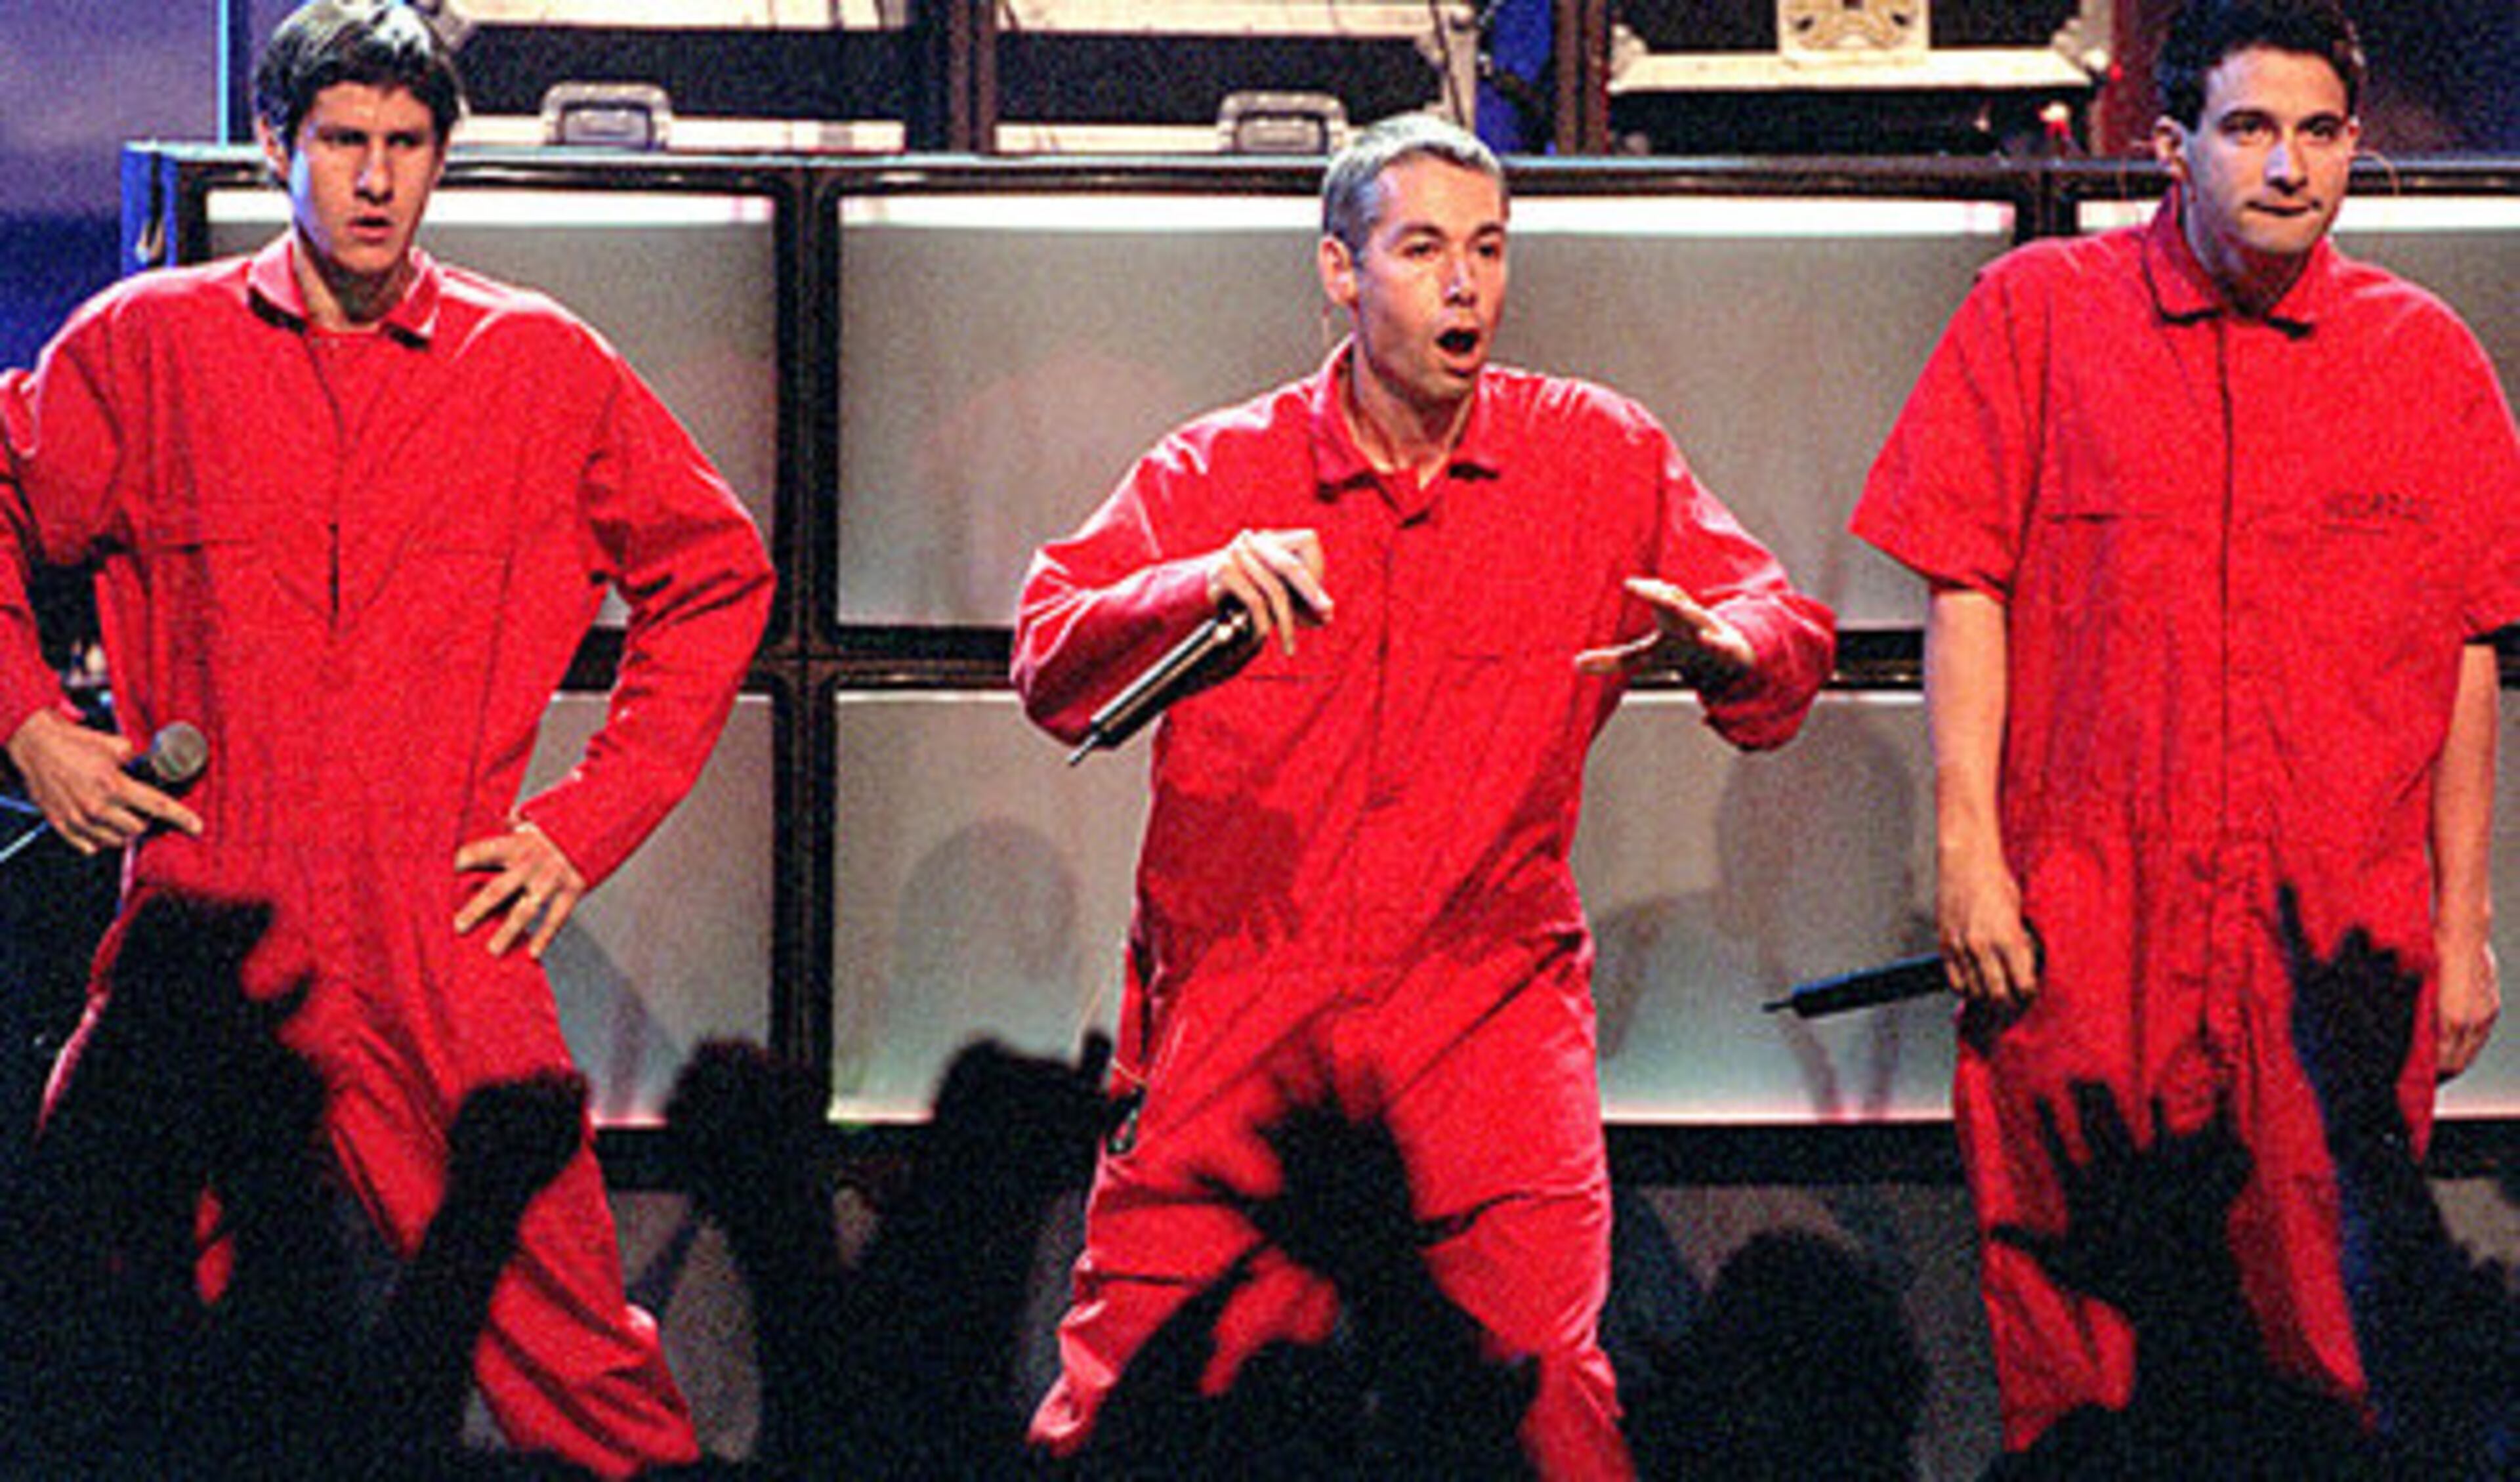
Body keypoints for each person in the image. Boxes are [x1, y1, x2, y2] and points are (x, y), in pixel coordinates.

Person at [0, 3, 772, 1475]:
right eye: (343, 139)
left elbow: (716, 574)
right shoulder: (151, 346)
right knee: (86, 1323)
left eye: (407, 144)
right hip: (208, 915)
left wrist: (581, 826)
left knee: (578, 1355)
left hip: (440, 923)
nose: (374, 177)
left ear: (440, 159)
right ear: (275, 146)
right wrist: (32, 724)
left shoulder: (536, 363)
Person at [1013, 112, 1835, 1479]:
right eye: (1424, 250)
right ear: (1341, 271)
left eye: (1489, 249)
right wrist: (1195, 582)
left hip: (1488, 1024)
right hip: (1241, 1022)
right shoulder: (1215, 472)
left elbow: (1777, 627)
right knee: (1141, 1408)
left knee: (1546, 1410)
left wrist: (1728, 647)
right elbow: (1049, 657)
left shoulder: (1597, 451)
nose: (1466, 285)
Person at [1851, 0, 2519, 1452]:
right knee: (2078, 1349)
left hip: (2331, 943)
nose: (2289, 167)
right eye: (2250, 128)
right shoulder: (2036, 317)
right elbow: (1965, 588)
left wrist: (2466, 921)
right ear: (2171, 144)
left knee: (2331, 1346)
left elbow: (2465, 655)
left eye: (2321, 133)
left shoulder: (2427, 361)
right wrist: (1967, 854)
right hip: (2091, 926)